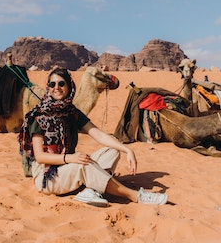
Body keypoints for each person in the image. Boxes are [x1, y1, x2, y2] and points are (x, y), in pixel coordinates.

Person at [28, 67, 168, 207]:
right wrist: (69, 158)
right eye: (52, 84)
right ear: (48, 87)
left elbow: (98, 134)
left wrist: (127, 150)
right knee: (84, 163)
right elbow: (40, 157)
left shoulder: (71, 112)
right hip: (48, 176)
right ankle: (136, 196)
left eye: (61, 83)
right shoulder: (40, 116)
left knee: (111, 151)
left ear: (69, 86)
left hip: (68, 167)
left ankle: (91, 190)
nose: (56, 88)